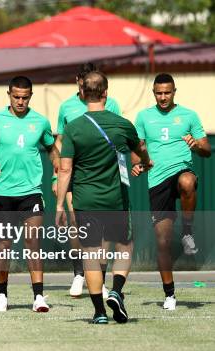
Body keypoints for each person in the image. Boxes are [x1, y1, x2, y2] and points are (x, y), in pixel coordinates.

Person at [56, 71, 152, 324]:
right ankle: (117, 291)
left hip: (85, 201)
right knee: (124, 247)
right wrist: (146, 161)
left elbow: (65, 169)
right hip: (116, 200)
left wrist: (58, 206)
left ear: (84, 93)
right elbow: (140, 149)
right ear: (106, 94)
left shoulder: (73, 128)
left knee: (90, 254)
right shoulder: (122, 124)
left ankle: (99, 312)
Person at [0, 76, 58, 313]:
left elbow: (53, 149)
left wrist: (56, 173)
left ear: (30, 96)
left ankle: (39, 296)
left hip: (31, 192)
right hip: (3, 192)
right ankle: (2, 294)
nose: (20, 101)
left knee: (33, 241)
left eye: (25, 97)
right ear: (9, 94)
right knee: (4, 244)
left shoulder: (40, 122)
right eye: (16, 97)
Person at [132, 73, 211, 311]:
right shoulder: (144, 117)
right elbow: (138, 149)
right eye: (159, 93)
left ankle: (187, 231)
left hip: (180, 171)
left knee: (188, 181)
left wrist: (196, 145)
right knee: (163, 242)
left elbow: (206, 149)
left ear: (174, 91)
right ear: (154, 93)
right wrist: (138, 164)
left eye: (167, 92)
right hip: (157, 181)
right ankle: (169, 294)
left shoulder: (189, 115)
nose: (163, 97)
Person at [54, 63, 123, 298]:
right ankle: (78, 274)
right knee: (75, 221)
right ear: (78, 82)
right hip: (74, 173)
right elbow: (60, 142)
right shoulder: (66, 107)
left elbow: (119, 139)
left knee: (102, 230)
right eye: (84, 82)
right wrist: (58, 176)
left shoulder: (111, 104)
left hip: (103, 176)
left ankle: (100, 279)